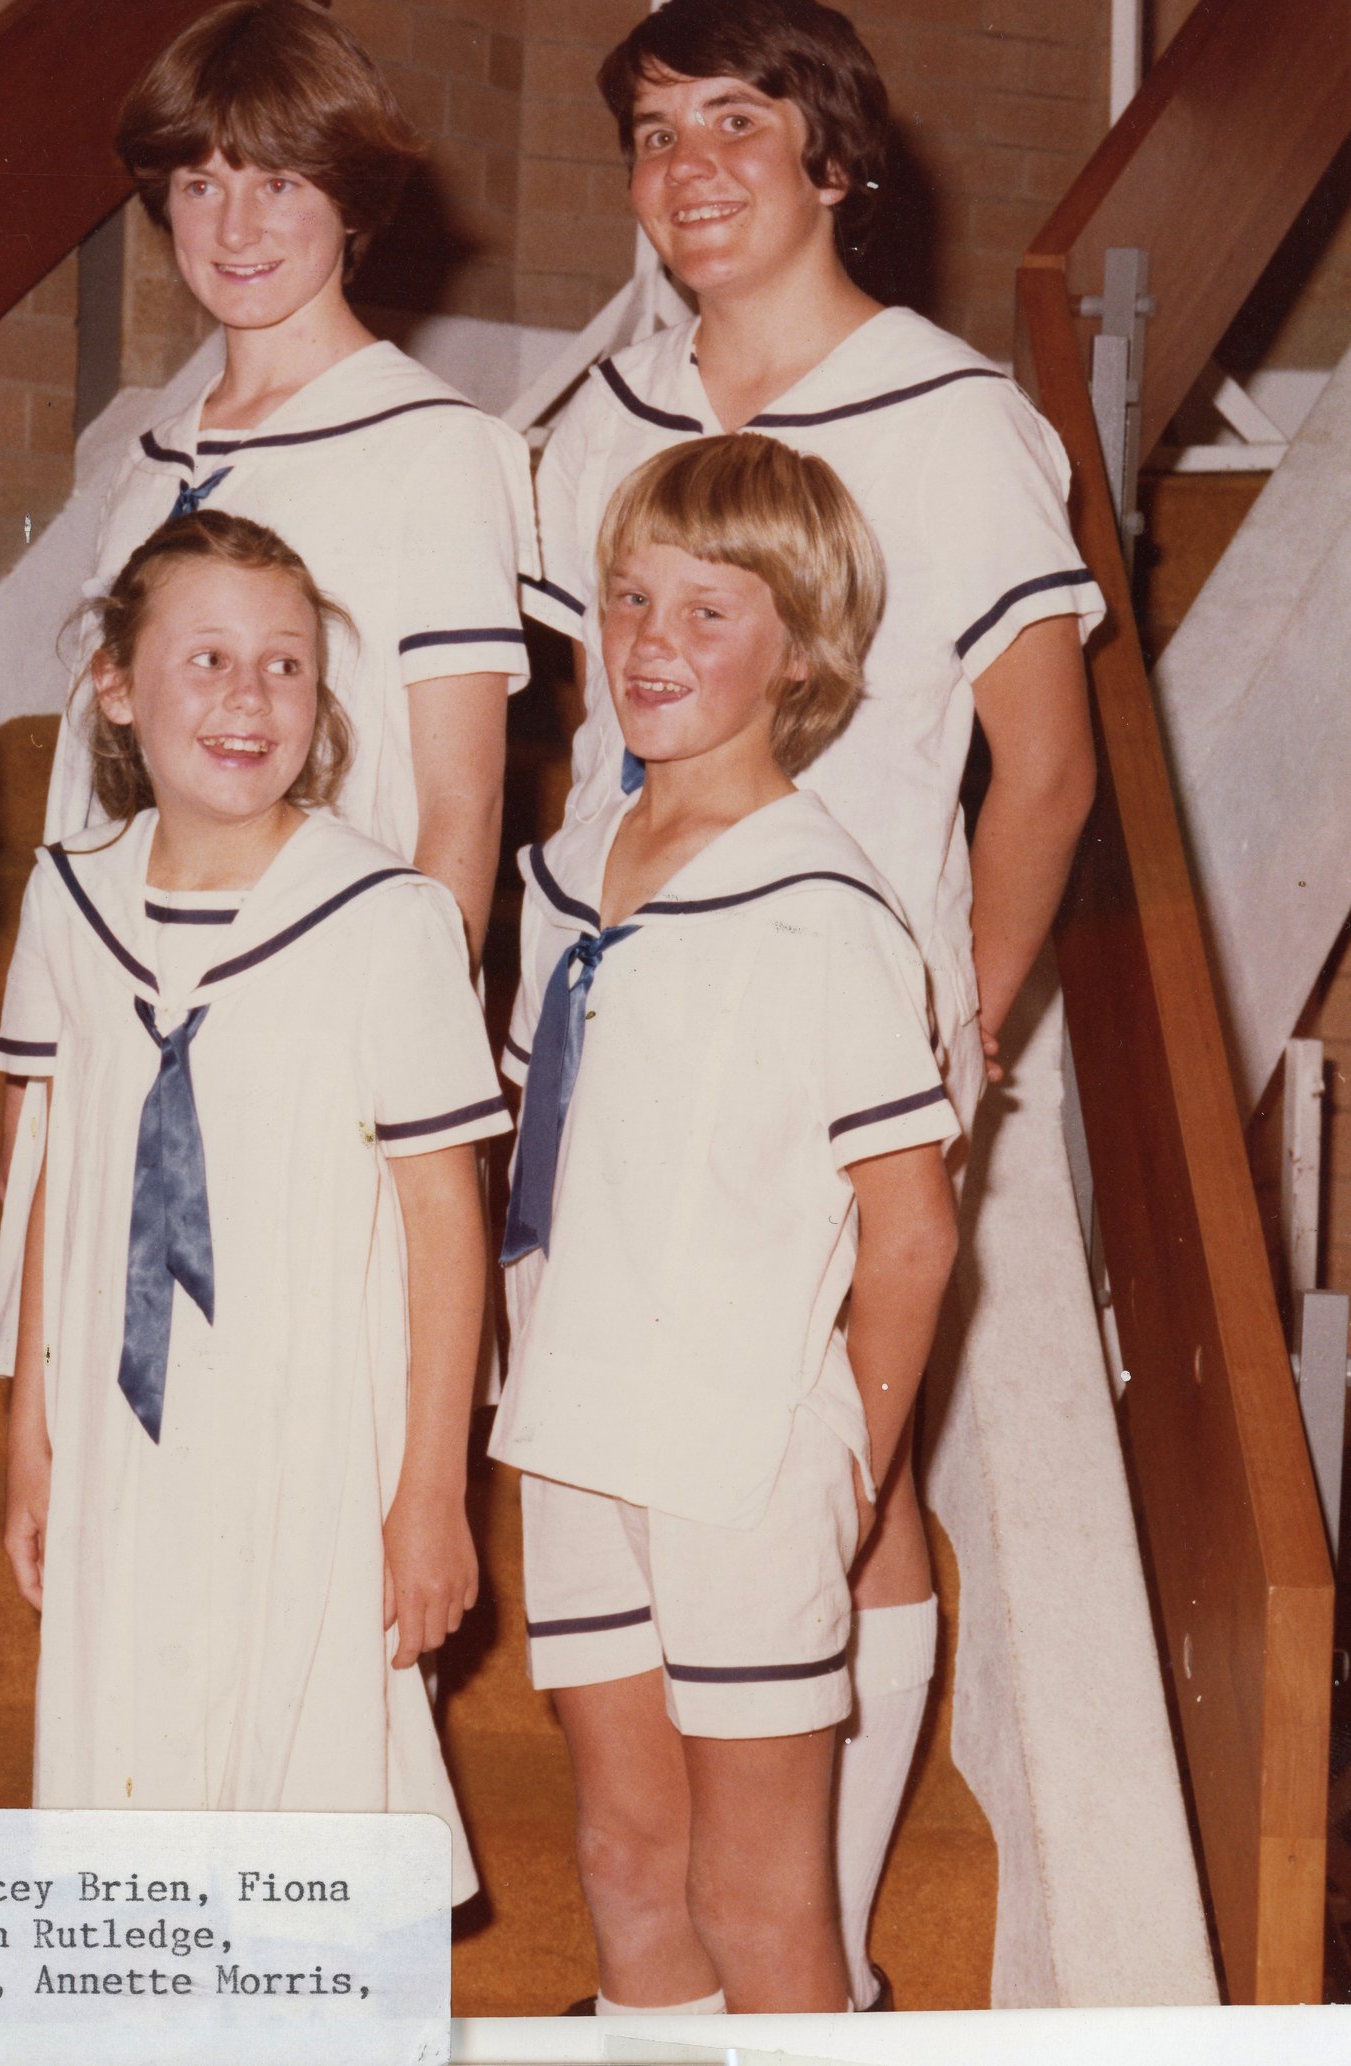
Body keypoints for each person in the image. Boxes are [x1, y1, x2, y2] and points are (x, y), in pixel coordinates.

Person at [522, 0, 1101, 2002]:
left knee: (847, 1494)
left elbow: (1044, 765)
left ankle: (812, 1946)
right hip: (638, 1029)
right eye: (653, 134)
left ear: (833, 161)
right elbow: (569, 719)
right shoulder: (602, 407)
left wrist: (968, 1032)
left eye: (735, 128)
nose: (686, 171)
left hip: (844, 1033)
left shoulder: (943, 420)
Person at [493, 435, 959, 2013]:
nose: (650, 643)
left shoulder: (820, 906)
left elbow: (912, 1233)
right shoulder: (566, 870)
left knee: (757, 1903)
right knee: (630, 1864)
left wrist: (853, 1466)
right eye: (630, 600)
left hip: (738, 1454)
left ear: (803, 650)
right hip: (576, 1427)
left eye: (710, 611)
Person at [0, 511, 505, 1900]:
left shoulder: (385, 917)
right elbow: (59, 1176)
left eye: (285, 666)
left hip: (312, 1437)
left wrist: (432, 1487)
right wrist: (32, 1423)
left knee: (306, 1816)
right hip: (123, 1432)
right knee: (131, 1789)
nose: (247, 697)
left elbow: (443, 1224)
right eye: (208, 657)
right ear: (117, 682)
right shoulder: (69, 902)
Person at [43, 0, 536, 959]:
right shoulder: (145, 463)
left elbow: (461, 805)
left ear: (349, 199)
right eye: (200, 183)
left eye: (277, 182)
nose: (234, 227)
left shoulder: (433, 445)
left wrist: (418, 1049)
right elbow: (93, 777)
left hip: (326, 991)